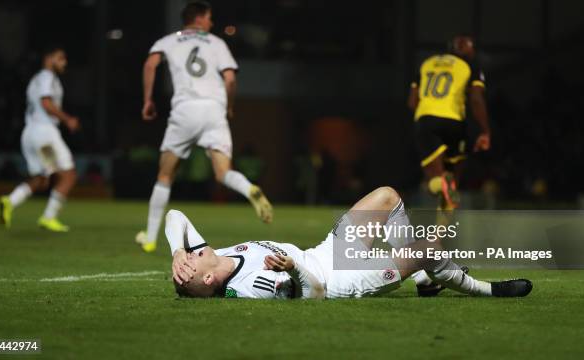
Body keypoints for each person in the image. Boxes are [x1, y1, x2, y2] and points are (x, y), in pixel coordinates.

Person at [166, 186, 532, 299]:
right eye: (189, 267)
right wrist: (294, 271)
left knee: (387, 196)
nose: (192, 258)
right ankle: (483, 289)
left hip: (328, 250)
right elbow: (317, 293)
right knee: (428, 247)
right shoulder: (253, 285)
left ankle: (423, 280)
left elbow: (175, 216)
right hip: (348, 278)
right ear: (210, 280)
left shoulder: (211, 256)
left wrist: (176, 252)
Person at [136, 0, 273, 253]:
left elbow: (149, 65)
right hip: (213, 109)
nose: (211, 22)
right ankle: (248, 188)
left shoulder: (167, 41)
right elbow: (230, 79)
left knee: (165, 175)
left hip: (185, 109)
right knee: (222, 173)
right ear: (198, 18)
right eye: (209, 18)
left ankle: (151, 237)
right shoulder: (217, 43)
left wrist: (147, 100)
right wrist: (229, 106)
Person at [0, 46, 79, 232]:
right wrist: (68, 119)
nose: (64, 62)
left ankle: (9, 201)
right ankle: (48, 217)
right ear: (48, 58)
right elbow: (45, 102)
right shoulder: (47, 77)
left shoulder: (35, 78)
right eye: (60, 58)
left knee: (42, 179)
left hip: (30, 133)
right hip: (45, 133)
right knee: (68, 175)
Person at [408, 35, 491, 210]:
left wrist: (424, 122)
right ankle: (440, 234)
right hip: (455, 123)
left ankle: (440, 184)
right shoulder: (471, 66)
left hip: (427, 119)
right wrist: (485, 131)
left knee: (433, 183)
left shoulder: (427, 63)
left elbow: (412, 102)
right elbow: (476, 100)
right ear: (470, 51)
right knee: (452, 185)